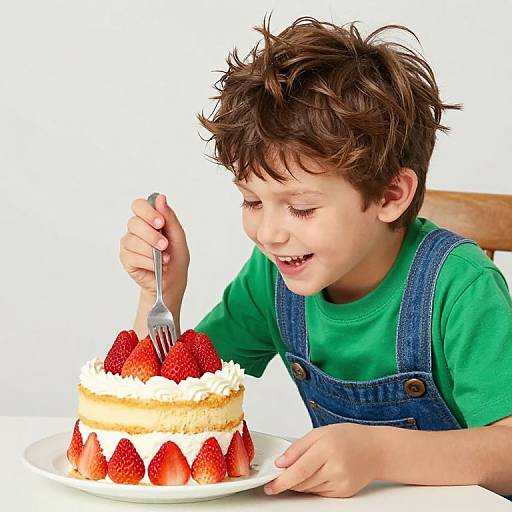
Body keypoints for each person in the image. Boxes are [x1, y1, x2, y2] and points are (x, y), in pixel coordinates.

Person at [119, 17, 512, 498]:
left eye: (301, 208)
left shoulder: (461, 288)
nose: (268, 233)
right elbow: (170, 406)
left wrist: (378, 452)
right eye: (252, 201)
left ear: (390, 194)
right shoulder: (271, 280)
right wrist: (159, 294)